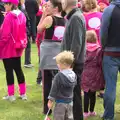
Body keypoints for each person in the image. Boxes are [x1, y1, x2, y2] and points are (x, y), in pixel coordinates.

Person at [37, 0, 66, 114]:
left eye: (49, 6)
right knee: (59, 80)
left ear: (55, 8)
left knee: (47, 81)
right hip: (59, 51)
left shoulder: (50, 19)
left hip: (49, 52)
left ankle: (47, 109)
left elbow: (39, 29)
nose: (46, 8)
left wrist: (43, 15)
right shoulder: (64, 20)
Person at [61, 0, 86, 119]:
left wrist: (68, 64)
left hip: (73, 64)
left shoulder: (76, 17)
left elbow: (76, 44)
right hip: (71, 63)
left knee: (74, 96)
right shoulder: (73, 17)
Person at [0, 0, 27, 101]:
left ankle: (11, 95)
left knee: (9, 71)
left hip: (8, 48)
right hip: (18, 46)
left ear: (11, 4)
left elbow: (5, 36)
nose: (4, 5)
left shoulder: (8, 16)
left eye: (6, 3)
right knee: (18, 69)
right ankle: (23, 93)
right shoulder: (22, 15)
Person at [100, 0, 120, 119]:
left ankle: (108, 116)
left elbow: (103, 31)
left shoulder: (109, 9)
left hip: (111, 52)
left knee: (110, 86)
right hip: (111, 51)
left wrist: (103, 46)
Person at [81, 30, 104, 119]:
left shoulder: (83, 48)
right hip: (95, 73)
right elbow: (100, 62)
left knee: (86, 93)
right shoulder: (99, 49)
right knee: (93, 93)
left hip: (85, 73)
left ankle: (85, 112)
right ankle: (92, 111)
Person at [48, 51, 77, 120]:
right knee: (69, 117)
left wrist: (50, 100)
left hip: (60, 103)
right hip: (70, 101)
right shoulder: (74, 74)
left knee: (59, 117)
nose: (57, 64)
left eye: (58, 63)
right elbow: (75, 85)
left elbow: (54, 90)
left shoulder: (58, 76)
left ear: (62, 64)